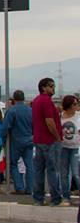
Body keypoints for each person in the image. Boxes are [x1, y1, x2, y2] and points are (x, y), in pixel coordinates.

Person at [32, 78, 64, 206]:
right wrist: (57, 136)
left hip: (39, 140)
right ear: (43, 87)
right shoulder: (46, 101)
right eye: (51, 86)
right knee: (53, 170)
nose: (53, 88)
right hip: (49, 141)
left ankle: (38, 198)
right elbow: (49, 121)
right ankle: (55, 198)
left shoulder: (36, 100)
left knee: (39, 170)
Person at [1, 90, 34, 194]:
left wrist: (3, 140)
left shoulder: (12, 111)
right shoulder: (30, 110)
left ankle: (19, 187)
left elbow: (5, 127)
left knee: (13, 164)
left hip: (16, 141)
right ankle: (30, 188)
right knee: (29, 165)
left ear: (14, 99)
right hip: (29, 140)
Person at [59, 95, 79, 205]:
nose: (76, 106)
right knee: (64, 173)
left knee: (76, 173)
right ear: (69, 105)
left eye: (77, 103)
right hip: (63, 148)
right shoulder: (61, 116)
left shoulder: (78, 116)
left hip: (76, 148)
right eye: (74, 104)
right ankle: (66, 196)